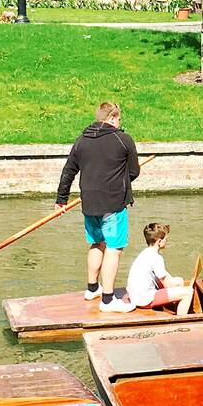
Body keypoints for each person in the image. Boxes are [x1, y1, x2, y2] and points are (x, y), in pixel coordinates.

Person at [54, 100, 141, 314]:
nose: (120, 123)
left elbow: (68, 171)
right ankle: (108, 299)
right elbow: (134, 172)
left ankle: (92, 288)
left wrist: (61, 200)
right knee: (114, 248)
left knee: (96, 243)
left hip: (89, 203)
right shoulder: (124, 140)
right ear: (112, 117)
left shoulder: (81, 140)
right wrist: (118, 182)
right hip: (113, 204)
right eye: (119, 119)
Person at [126, 222, 194, 316]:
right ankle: (181, 319)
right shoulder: (157, 258)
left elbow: (163, 275)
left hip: (135, 296)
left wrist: (178, 283)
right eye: (166, 239)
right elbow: (167, 284)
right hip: (145, 300)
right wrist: (185, 288)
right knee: (188, 292)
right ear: (159, 242)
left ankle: (175, 308)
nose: (167, 241)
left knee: (179, 281)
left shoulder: (146, 253)